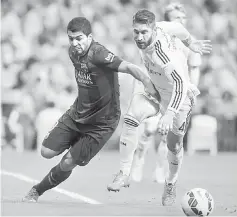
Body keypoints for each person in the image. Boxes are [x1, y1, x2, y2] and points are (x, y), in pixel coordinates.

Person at [22, 16, 158, 203]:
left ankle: (37, 191)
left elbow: (128, 67)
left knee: (68, 162)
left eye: (79, 38)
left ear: (90, 37)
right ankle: (75, 146)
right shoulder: (72, 52)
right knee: (46, 152)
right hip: (77, 113)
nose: (75, 43)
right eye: (71, 38)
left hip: (102, 123)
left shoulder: (99, 53)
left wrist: (146, 81)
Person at [107, 9, 212, 206]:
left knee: (175, 145)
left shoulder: (161, 54)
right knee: (131, 117)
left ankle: (170, 183)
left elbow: (180, 84)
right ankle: (124, 172)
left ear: (153, 30)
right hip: (155, 89)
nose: (139, 37)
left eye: (144, 32)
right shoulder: (163, 26)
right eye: (136, 32)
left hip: (178, 98)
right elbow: (179, 28)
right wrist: (191, 42)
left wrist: (169, 113)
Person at [131, 2, 203, 184]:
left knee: (168, 138)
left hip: (176, 92)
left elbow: (190, 73)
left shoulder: (166, 50)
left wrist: (189, 96)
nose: (181, 20)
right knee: (148, 128)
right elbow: (177, 29)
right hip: (153, 84)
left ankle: (161, 171)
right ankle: (138, 159)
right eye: (176, 16)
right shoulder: (160, 30)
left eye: (182, 17)